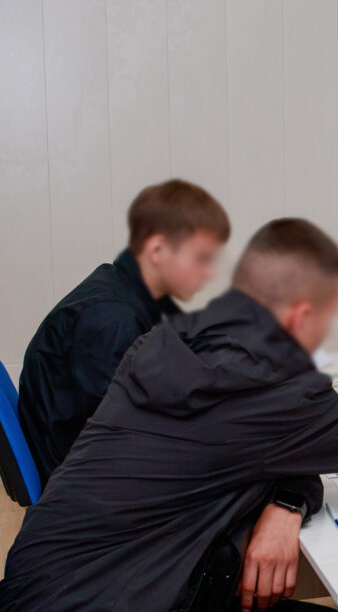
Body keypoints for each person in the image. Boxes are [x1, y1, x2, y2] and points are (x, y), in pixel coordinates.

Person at [0, 218, 338, 611]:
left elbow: (253, 444)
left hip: (41, 578)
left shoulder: (164, 346)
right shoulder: (272, 391)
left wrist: (287, 500)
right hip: (117, 595)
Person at [17, 179, 230, 487]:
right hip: (87, 485)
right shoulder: (112, 319)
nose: (208, 272)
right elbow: (122, 431)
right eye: (200, 258)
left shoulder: (120, 289)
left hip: (88, 463)